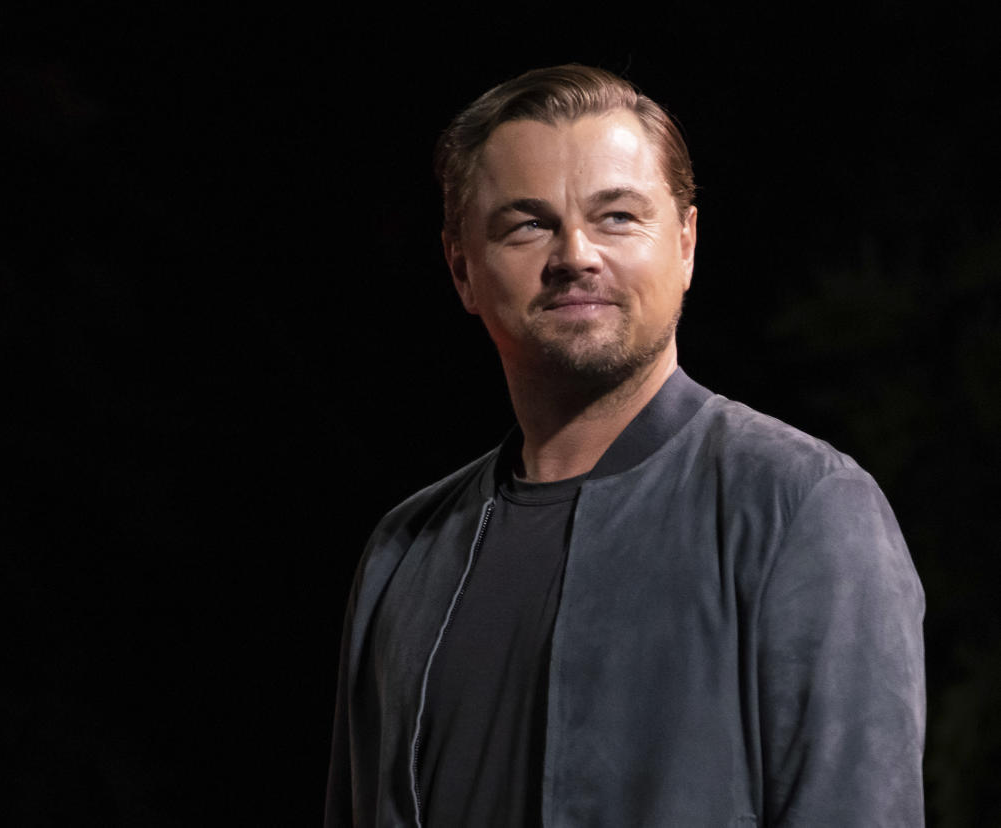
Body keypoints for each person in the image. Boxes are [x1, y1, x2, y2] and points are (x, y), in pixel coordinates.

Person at [325, 64, 925, 827]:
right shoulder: (402, 553)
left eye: (616, 217)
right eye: (528, 224)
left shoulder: (800, 507)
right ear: (461, 270)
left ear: (686, 243)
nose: (575, 253)